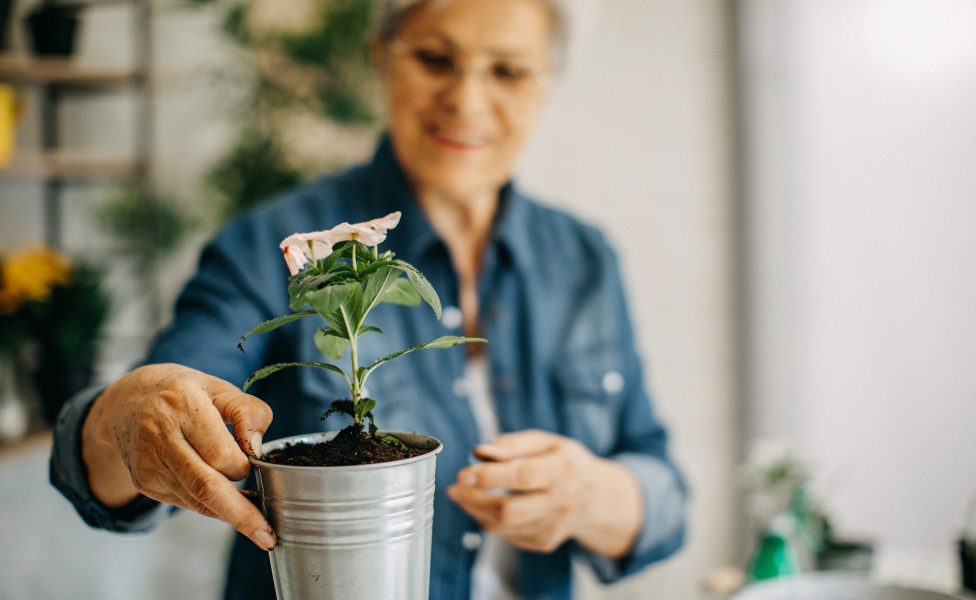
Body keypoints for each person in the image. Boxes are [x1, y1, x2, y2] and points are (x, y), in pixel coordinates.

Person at [50, 0, 688, 598]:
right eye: (436, 60)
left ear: (547, 83)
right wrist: (122, 416)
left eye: (509, 71)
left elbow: (665, 497)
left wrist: (596, 496)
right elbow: (162, 408)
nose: (467, 100)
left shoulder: (583, 260)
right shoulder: (283, 247)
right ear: (382, 55)